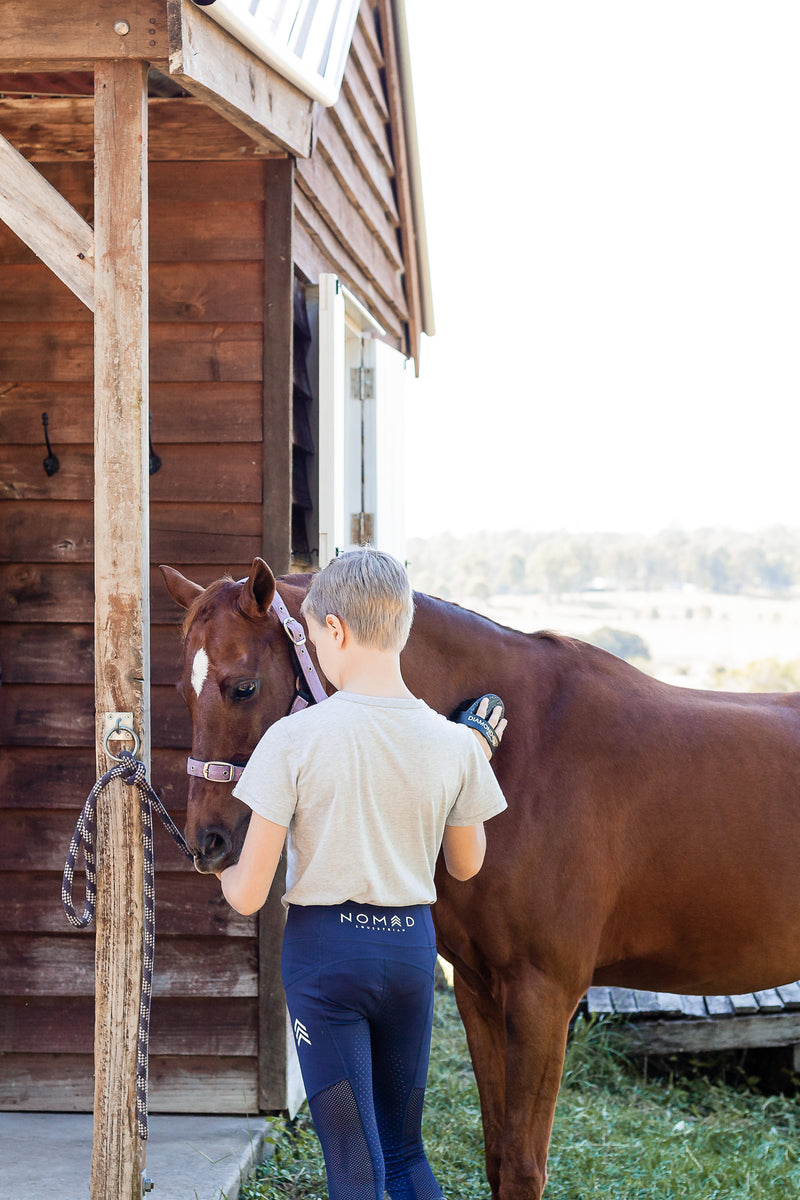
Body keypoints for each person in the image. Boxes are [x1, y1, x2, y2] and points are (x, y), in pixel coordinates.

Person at [217, 548, 508, 1200]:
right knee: (405, 1153)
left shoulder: (291, 741)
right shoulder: (456, 744)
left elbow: (245, 894)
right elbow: (466, 864)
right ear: (401, 626)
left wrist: (216, 867)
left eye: (316, 634)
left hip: (326, 961)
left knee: (353, 1164)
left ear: (335, 629)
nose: (317, 647)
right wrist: (471, 759)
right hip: (409, 953)